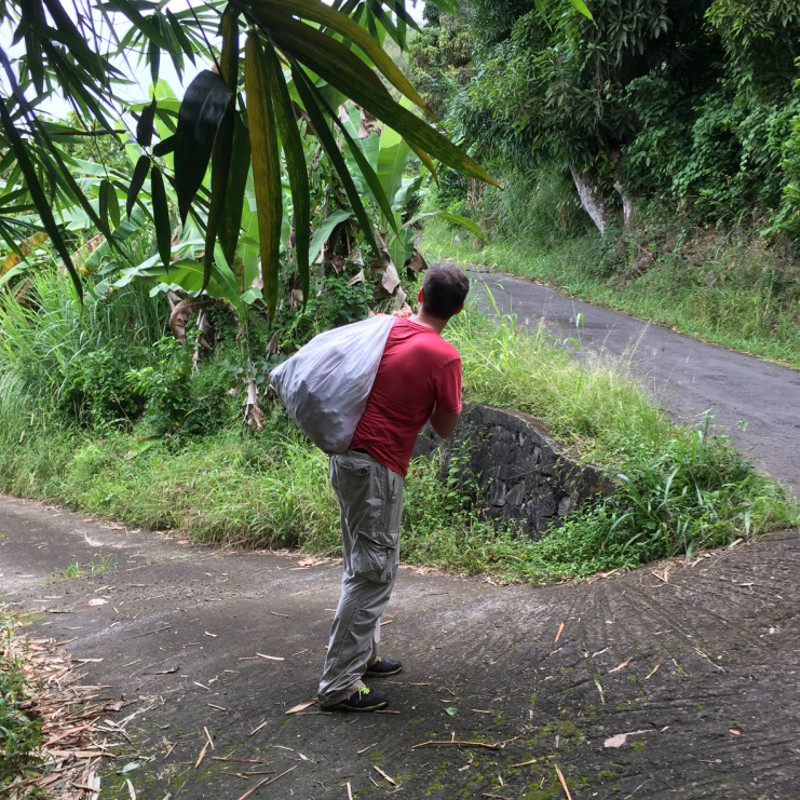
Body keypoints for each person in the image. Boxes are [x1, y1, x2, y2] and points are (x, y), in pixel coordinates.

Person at [317, 264, 470, 712]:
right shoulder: (444, 357)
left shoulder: (392, 328)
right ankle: (339, 684)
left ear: (419, 293)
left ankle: (363, 657)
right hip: (378, 468)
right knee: (372, 573)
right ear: (458, 309)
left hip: (346, 459)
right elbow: (444, 429)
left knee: (362, 560)